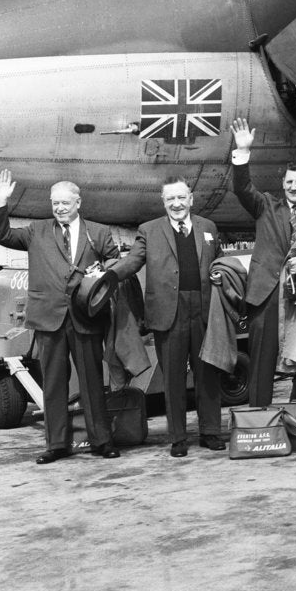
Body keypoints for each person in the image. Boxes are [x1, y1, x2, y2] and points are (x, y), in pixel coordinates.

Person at [0, 172, 121, 464]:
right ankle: (57, 444)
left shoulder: (98, 232)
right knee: (53, 383)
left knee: (92, 382)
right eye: (55, 203)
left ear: (78, 202)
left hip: (85, 318)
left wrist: (104, 271)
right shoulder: (36, 231)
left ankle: (102, 440)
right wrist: (1, 201)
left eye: (65, 202)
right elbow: (2, 235)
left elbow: (114, 262)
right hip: (49, 318)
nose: (59, 208)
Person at [112, 177, 224, 457]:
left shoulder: (207, 227)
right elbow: (133, 261)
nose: (176, 204)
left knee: (207, 374)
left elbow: (219, 259)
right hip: (167, 313)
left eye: (181, 198)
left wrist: (224, 273)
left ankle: (210, 432)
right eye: (170, 199)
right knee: (173, 378)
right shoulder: (148, 230)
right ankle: (178, 438)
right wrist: (109, 274)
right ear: (163, 202)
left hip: (203, 309)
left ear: (191, 199)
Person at [230, 117, 296, 406]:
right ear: (282, 184)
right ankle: (258, 419)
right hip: (267, 295)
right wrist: (242, 152)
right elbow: (242, 188)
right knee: (261, 360)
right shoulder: (266, 206)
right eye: (289, 182)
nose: (294, 187)